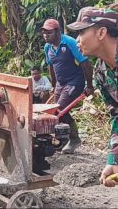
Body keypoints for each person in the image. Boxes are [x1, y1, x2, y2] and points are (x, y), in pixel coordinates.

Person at [67, 5, 118, 187]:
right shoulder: (101, 72)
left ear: (101, 33)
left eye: (81, 33)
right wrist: (113, 161)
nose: (77, 40)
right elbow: (117, 116)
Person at [42, 18, 94, 154]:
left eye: (49, 32)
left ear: (57, 32)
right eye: (44, 32)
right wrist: (54, 86)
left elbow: (85, 63)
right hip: (61, 83)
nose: (46, 35)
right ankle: (61, 140)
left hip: (74, 82)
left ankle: (74, 139)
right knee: (54, 111)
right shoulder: (47, 47)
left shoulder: (69, 42)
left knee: (59, 110)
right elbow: (51, 67)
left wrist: (89, 85)